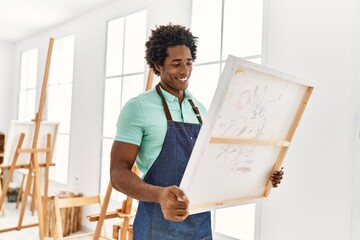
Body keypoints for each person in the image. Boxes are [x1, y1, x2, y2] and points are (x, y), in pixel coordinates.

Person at [110, 23, 284, 240]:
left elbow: (217, 163)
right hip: (157, 225)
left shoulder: (200, 110)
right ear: (157, 65)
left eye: (189, 63)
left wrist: (262, 173)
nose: (184, 71)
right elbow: (118, 173)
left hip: (199, 225)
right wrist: (160, 195)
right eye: (176, 64)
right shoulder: (138, 108)